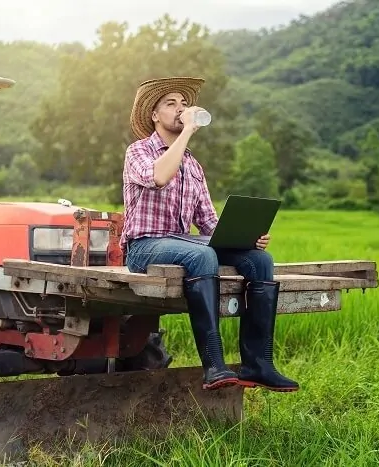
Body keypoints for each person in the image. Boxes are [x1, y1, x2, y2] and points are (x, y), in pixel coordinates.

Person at [120, 76, 299, 393]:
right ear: (154, 115)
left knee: (259, 259)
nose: (180, 110)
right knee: (202, 254)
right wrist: (188, 130)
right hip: (144, 246)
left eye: (184, 104)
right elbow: (159, 176)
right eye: (171, 104)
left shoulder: (192, 165)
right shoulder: (139, 151)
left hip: (181, 242)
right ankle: (214, 366)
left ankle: (258, 364)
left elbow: (208, 223)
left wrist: (244, 237)